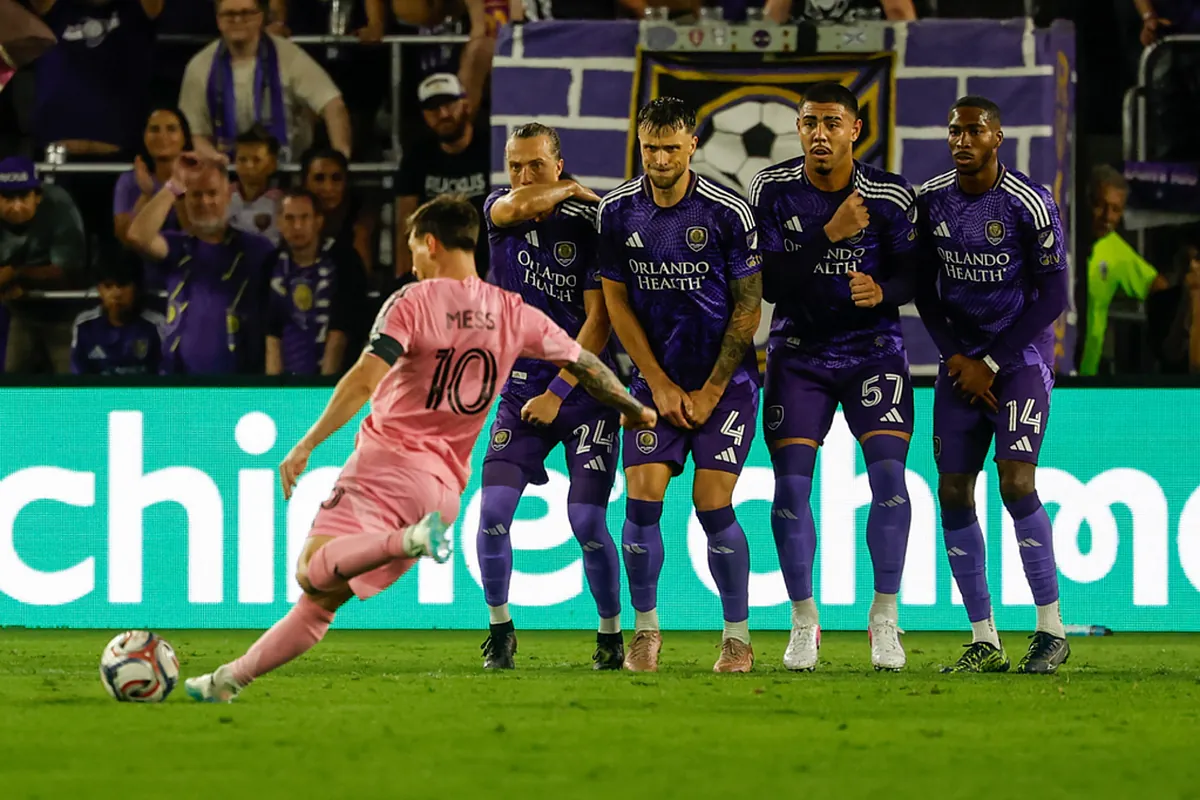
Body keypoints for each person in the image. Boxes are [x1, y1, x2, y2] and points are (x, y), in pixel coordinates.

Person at [184, 194, 656, 703]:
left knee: (308, 569)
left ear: (431, 244)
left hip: (385, 468)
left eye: (413, 250)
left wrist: (307, 443)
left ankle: (404, 541)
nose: (412, 265)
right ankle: (226, 681)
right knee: (320, 603)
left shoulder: (412, 302)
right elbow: (586, 363)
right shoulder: (513, 312)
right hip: (441, 494)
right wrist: (633, 408)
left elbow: (364, 380)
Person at [748, 81, 920, 673]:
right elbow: (770, 284)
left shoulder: (890, 194)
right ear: (798, 128)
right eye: (809, 123)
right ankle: (804, 621)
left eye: (831, 123)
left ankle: (885, 617)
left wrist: (883, 291)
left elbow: (912, 277)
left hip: (874, 351)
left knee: (890, 480)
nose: (819, 134)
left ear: (855, 130)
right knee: (791, 488)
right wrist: (830, 233)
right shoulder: (772, 189)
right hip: (799, 352)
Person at [596, 98, 763, 674]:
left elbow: (748, 308)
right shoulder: (617, 211)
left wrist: (712, 390)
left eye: (671, 148)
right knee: (641, 504)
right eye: (651, 148)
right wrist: (659, 384)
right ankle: (645, 632)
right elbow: (617, 303)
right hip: (653, 384)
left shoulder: (728, 211)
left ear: (693, 144)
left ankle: (737, 637)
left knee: (711, 503)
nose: (660, 159)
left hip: (727, 384)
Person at [915, 96, 1070, 675]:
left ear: (997, 138)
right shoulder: (932, 201)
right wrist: (957, 358)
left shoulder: (1029, 202)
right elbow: (925, 290)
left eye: (974, 131)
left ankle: (1051, 630)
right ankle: (984, 639)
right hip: (961, 364)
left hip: (1019, 358)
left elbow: (1054, 296)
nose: (962, 140)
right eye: (955, 131)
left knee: (1016, 481)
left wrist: (993, 362)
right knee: (953, 491)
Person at [475, 123, 621, 670]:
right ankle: (501, 631)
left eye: (536, 164)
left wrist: (560, 392)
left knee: (587, 523)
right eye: (515, 164)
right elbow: (520, 205)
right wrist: (571, 190)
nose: (523, 175)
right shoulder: (499, 209)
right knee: (492, 514)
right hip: (520, 390)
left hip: (585, 392)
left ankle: (610, 636)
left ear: (558, 163)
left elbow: (598, 322)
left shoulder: (589, 227)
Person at [126, 152, 276, 374]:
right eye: (196, 194)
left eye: (212, 193)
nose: (204, 202)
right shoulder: (178, 246)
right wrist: (174, 185)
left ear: (228, 196)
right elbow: (137, 235)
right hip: (179, 383)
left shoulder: (258, 249)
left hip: (241, 384)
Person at [178, 0, 351, 162]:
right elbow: (194, 133)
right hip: (225, 173)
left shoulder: (290, 57)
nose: (237, 20)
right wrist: (218, 161)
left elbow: (333, 106)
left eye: (246, 13)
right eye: (229, 14)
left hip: (287, 170)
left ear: (260, 17)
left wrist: (340, 160)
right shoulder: (199, 66)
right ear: (218, 20)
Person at [394, 73, 491, 280]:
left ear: (465, 104)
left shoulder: (491, 148)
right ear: (424, 115)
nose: (443, 113)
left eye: (449, 104)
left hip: (486, 265)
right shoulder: (417, 157)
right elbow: (405, 221)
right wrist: (405, 275)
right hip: (433, 268)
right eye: (434, 109)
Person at [0, 155, 86, 374]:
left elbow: (68, 274)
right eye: (7, 197)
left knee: (69, 382)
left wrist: (16, 275)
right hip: (21, 312)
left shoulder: (59, 205)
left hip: (64, 314)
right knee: (13, 383)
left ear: (37, 196)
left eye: (23, 196)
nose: (16, 206)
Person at [266, 189, 367, 376]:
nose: (297, 226)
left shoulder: (344, 261)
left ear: (318, 221)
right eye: (289, 218)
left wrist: (324, 386)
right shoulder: (271, 265)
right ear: (279, 223)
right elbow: (271, 333)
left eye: (304, 218)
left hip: (335, 379)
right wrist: (273, 387)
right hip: (284, 379)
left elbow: (341, 330)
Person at [1079, 165, 1168, 376]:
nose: (1107, 216)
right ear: (1087, 201)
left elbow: (1160, 288)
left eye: (1116, 209)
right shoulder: (1057, 233)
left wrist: (1163, 343)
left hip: (1082, 378)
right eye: (1100, 205)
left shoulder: (1116, 251)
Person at [70, 253, 164, 375]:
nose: (116, 294)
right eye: (108, 286)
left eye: (123, 285)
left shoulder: (157, 325)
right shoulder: (84, 325)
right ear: (99, 289)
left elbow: (166, 376)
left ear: (137, 287)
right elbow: (78, 377)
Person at [114, 107, 193, 247]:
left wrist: (179, 191)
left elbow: (197, 236)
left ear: (184, 137)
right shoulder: (129, 180)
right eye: (154, 130)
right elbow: (125, 238)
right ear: (144, 137)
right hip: (143, 256)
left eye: (171, 129)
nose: (162, 136)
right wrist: (146, 195)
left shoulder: (200, 176)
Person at [228, 125, 283, 245]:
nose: (249, 166)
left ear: (272, 164)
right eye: (242, 159)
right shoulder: (222, 197)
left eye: (256, 160)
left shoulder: (282, 203)